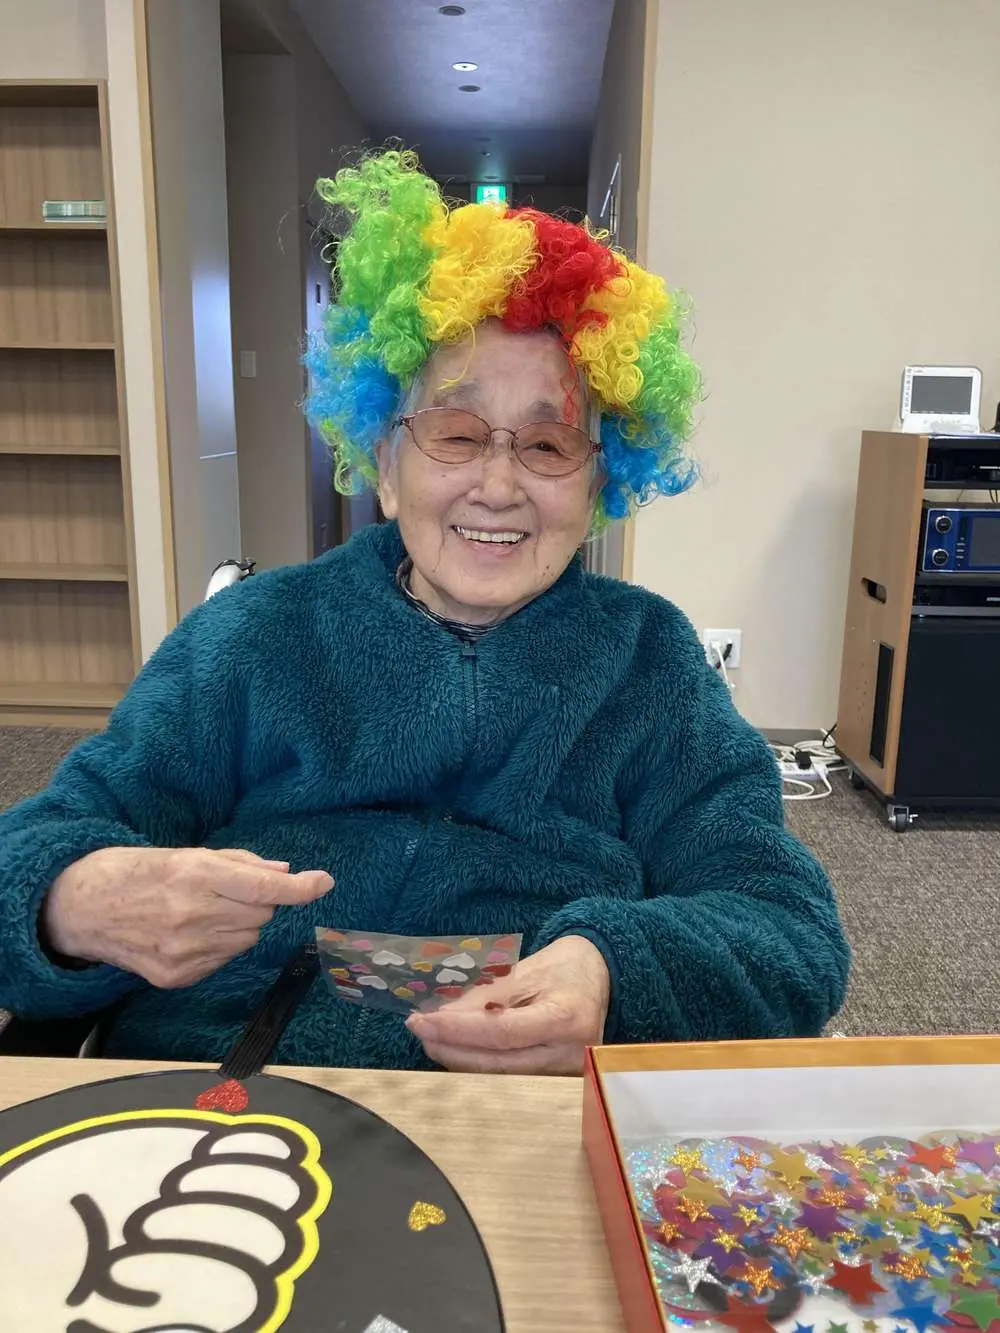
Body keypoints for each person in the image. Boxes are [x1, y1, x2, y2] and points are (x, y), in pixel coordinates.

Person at [0, 151, 849, 1073]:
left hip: (516, 1096)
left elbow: (787, 928)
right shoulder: (253, 634)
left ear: (600, 482)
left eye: (549, 444)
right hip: (222, 1076)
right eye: (455, 432)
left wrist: (613, 970)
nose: (498, 484)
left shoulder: (652, 663)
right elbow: (37, 845)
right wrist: (73, 897)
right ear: (386, 464)